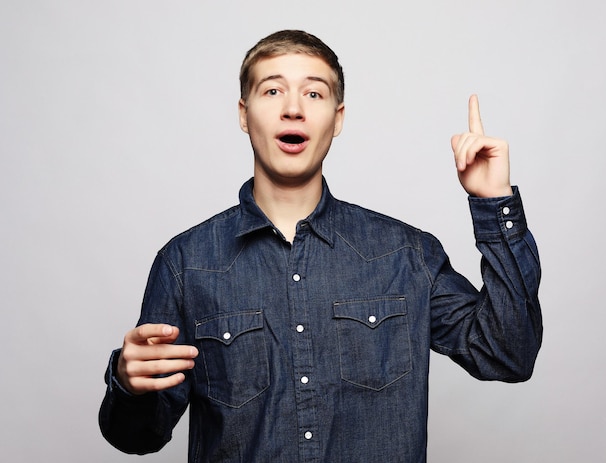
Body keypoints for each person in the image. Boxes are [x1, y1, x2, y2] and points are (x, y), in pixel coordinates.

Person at [99, 30, 542, 462]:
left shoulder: (406, 255)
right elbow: (138, 436)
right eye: (272, 91)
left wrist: (494, 203)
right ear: (243, 112)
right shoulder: (185, 264)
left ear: (338, 118)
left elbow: (507, 354)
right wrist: (128, 383)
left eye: (314, 94)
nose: (293, 109)